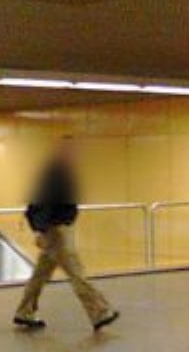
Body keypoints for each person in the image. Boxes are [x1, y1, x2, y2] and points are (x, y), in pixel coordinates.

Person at [13, 137, 119, 332]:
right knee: (76, 271)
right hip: (57, 230)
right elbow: (43, 204)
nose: (75, 154)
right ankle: (100, 311)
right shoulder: (55, 173)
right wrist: (41, 230)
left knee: (41, 274)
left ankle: (24, 312)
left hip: (57, 228)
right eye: (71, 150)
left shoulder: (62, 171)